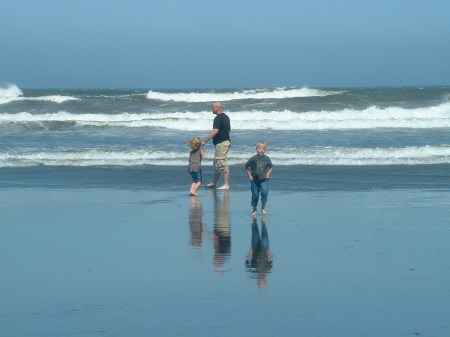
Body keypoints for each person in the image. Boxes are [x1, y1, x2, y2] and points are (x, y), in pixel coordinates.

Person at [201, 102, 231, 190]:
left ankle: (226, 185)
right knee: (218, 163)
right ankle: (214, 182)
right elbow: (229, 130)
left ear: (218, 108)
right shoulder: (226, 117)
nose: (212, 108)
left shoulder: (218, 118)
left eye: (213, 107)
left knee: (222, 163)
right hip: (224, 142)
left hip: (222, 143)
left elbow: (215, 131)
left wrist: (205, 140)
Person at [244, 141, 274, 216]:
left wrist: (268, 174)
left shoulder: (267, 158)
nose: (261, 150)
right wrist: (249, 176)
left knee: (265, 192)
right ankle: (254, 209)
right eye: (260, 148)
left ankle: (263, 207)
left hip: (264, 180)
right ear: (256, 149)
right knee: (255, 195)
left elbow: (271, 167)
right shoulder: (253, 158)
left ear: (265, 150)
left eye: (263, 148)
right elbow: (246, 166)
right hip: (254, 180)